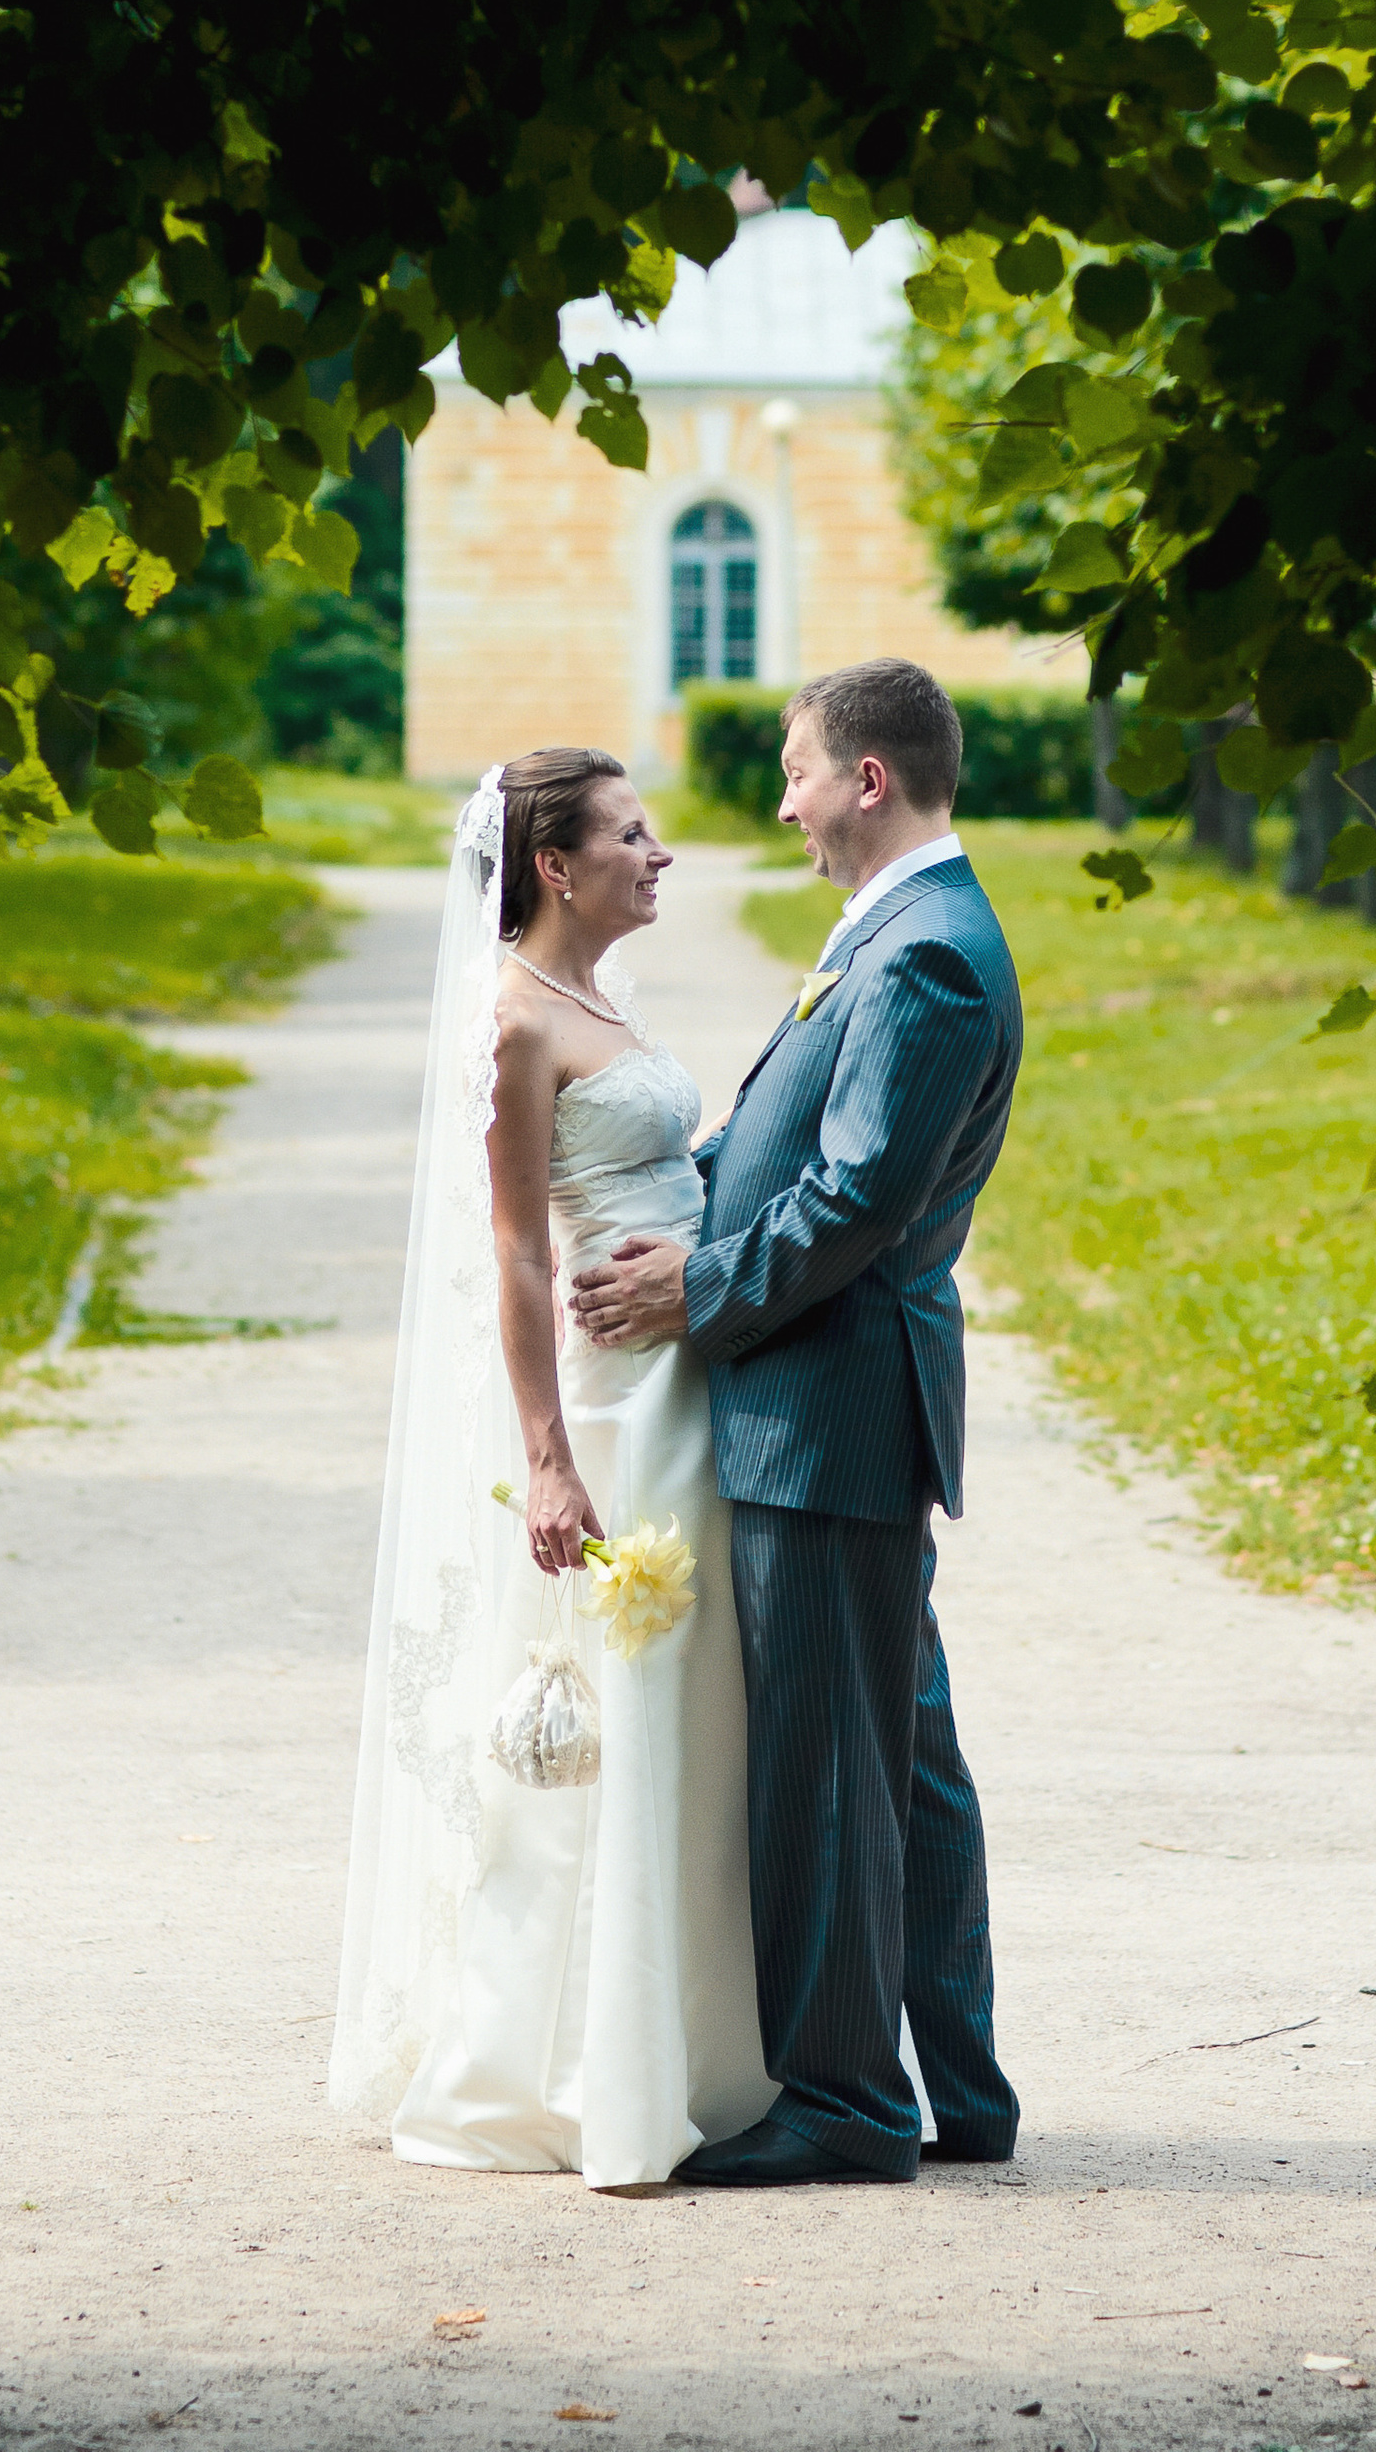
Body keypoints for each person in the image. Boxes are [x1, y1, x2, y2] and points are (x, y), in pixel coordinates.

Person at [572, 658, 1023, 2186]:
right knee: (901, 1760)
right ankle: (964, 2089)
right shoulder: (902, 932)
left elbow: (856, 1203)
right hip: (830, 1400)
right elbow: (794, 1149)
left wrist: (695, 1288)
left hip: (827, 1406)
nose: (785, 803)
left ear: (870, 783)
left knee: (834, 1766)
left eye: (800, 775)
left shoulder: (927, 956)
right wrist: (674, 1194)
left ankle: (844, 2103)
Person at [329, 747, 772, 2189]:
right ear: (554, 868)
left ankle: (686, 2050)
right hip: (611, 1398)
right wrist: (548, 1463)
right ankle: (568, 2073)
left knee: (686, 1718)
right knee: (605, 1713)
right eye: (632, 836)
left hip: (679, 1373)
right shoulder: (515, 1018)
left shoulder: (600, 996)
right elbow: (518, 1245)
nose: (661, 854)